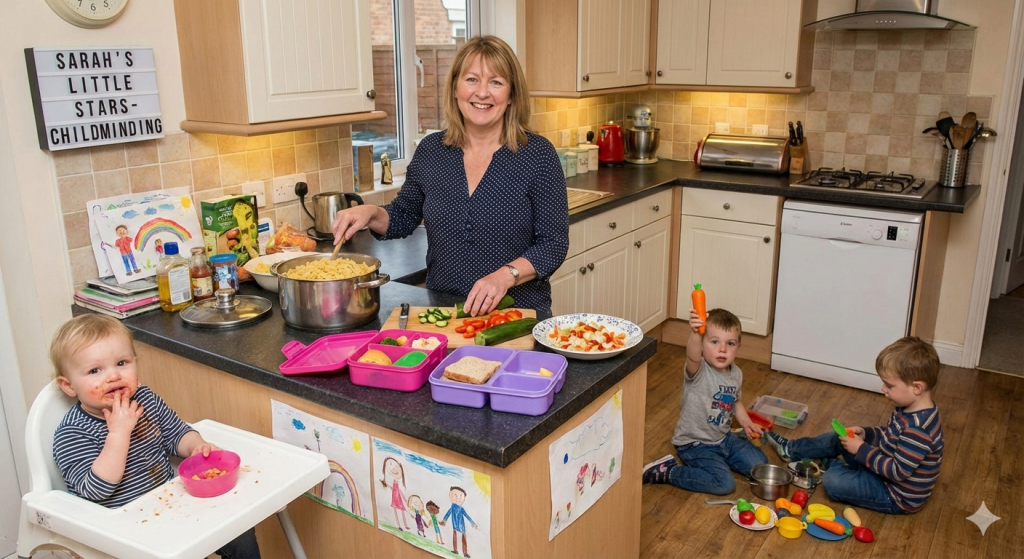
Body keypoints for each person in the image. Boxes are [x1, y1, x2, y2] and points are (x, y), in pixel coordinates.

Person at [330, 35, 569, 316]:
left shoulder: (537, 155)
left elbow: (553, 244)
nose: (482, 92)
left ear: (512, 95)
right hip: (445, 313)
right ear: (455, 88)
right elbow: (404, 216)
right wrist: (369, 212)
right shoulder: (432, 150)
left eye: (496, 82)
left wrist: (505, 276)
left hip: (517, 315)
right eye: (471, 80)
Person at [50, 314, 260, 558]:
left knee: (238, 530)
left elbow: (176, 433)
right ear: (68, 386)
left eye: (122, 363)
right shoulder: (73, 432)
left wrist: (196, 445)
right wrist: (118, 434)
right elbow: (95, 491)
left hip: (168, 505)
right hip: (120, 532)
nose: (114, 376)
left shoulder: (145, 399)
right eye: (95, 370)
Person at [763, 337, 944, 514]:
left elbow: (897, 471)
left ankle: (830, 463)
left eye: (889, 385)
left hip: (894, 493)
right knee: (840, 439)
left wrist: (861, 450)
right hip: (880, 468)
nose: (883, 389)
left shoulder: (918, 429)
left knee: (833, 482)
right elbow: (890, 434)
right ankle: (791, 449)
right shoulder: (906, 406)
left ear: (917, 388)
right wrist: (867, 434)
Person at [641, 308, 767, 495]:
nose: (722, 349)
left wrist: (746, 422)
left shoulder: (736, 374)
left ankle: (722, 461)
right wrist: (695, 333)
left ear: (738, 346)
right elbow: (692, 354)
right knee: (724, 484)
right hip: (695, 443)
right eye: (714, 342)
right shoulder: (699, 370)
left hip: (724, 439)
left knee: (761, 467)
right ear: (702, 344)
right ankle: (668, 471)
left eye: (730, 343)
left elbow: (735, 401)